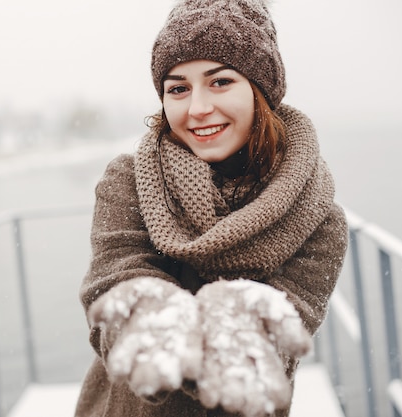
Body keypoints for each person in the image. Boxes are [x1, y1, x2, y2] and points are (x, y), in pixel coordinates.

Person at [75, 0, 349, 416]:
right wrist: (154, 321)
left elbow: (275, 344)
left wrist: (235, 334)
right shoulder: (129, 181)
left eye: (220, 82)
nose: (198, 108)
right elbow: (113, 281)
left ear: (261, 92)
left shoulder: (316, 217)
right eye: (178, 88)